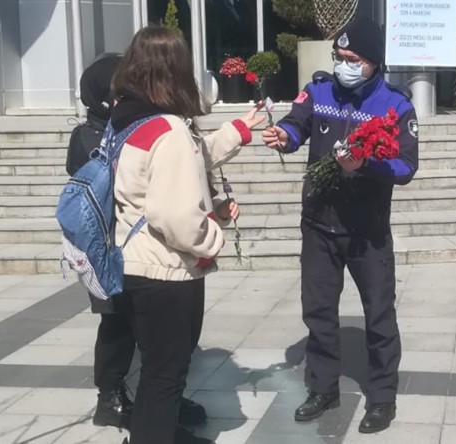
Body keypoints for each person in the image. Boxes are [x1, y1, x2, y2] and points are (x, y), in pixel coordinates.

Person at [261, 18, 419, 434]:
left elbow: (406, 166)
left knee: (379, 318)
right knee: (318, 314)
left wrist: (368, 164)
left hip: (367, 232)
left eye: (352, 59)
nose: (343, 65)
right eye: (339, 57)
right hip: (319, 225)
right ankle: (323, 387)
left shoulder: (396, 103)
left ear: (373, 62)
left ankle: (382, 398)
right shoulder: (319, 90)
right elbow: (298, 123)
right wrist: (284, 135)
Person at [108, 26, 264, 444]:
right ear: (175, 71)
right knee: (165, 378)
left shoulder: (129, 120)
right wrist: (211, 238)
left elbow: (186, 163)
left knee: (156, 374)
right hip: (167, 273)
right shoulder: (170, 130)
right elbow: (174, 215)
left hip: (134, 264)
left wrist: (237, 132)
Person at [66, 53, 210, 433]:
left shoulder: (127, 126)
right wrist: (211, 237)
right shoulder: (95, 136)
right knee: (119, 331)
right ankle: (111, 396)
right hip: (114, 251)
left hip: (131, 251)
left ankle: (161, 412)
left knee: (155, 357)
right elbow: (163, 208)